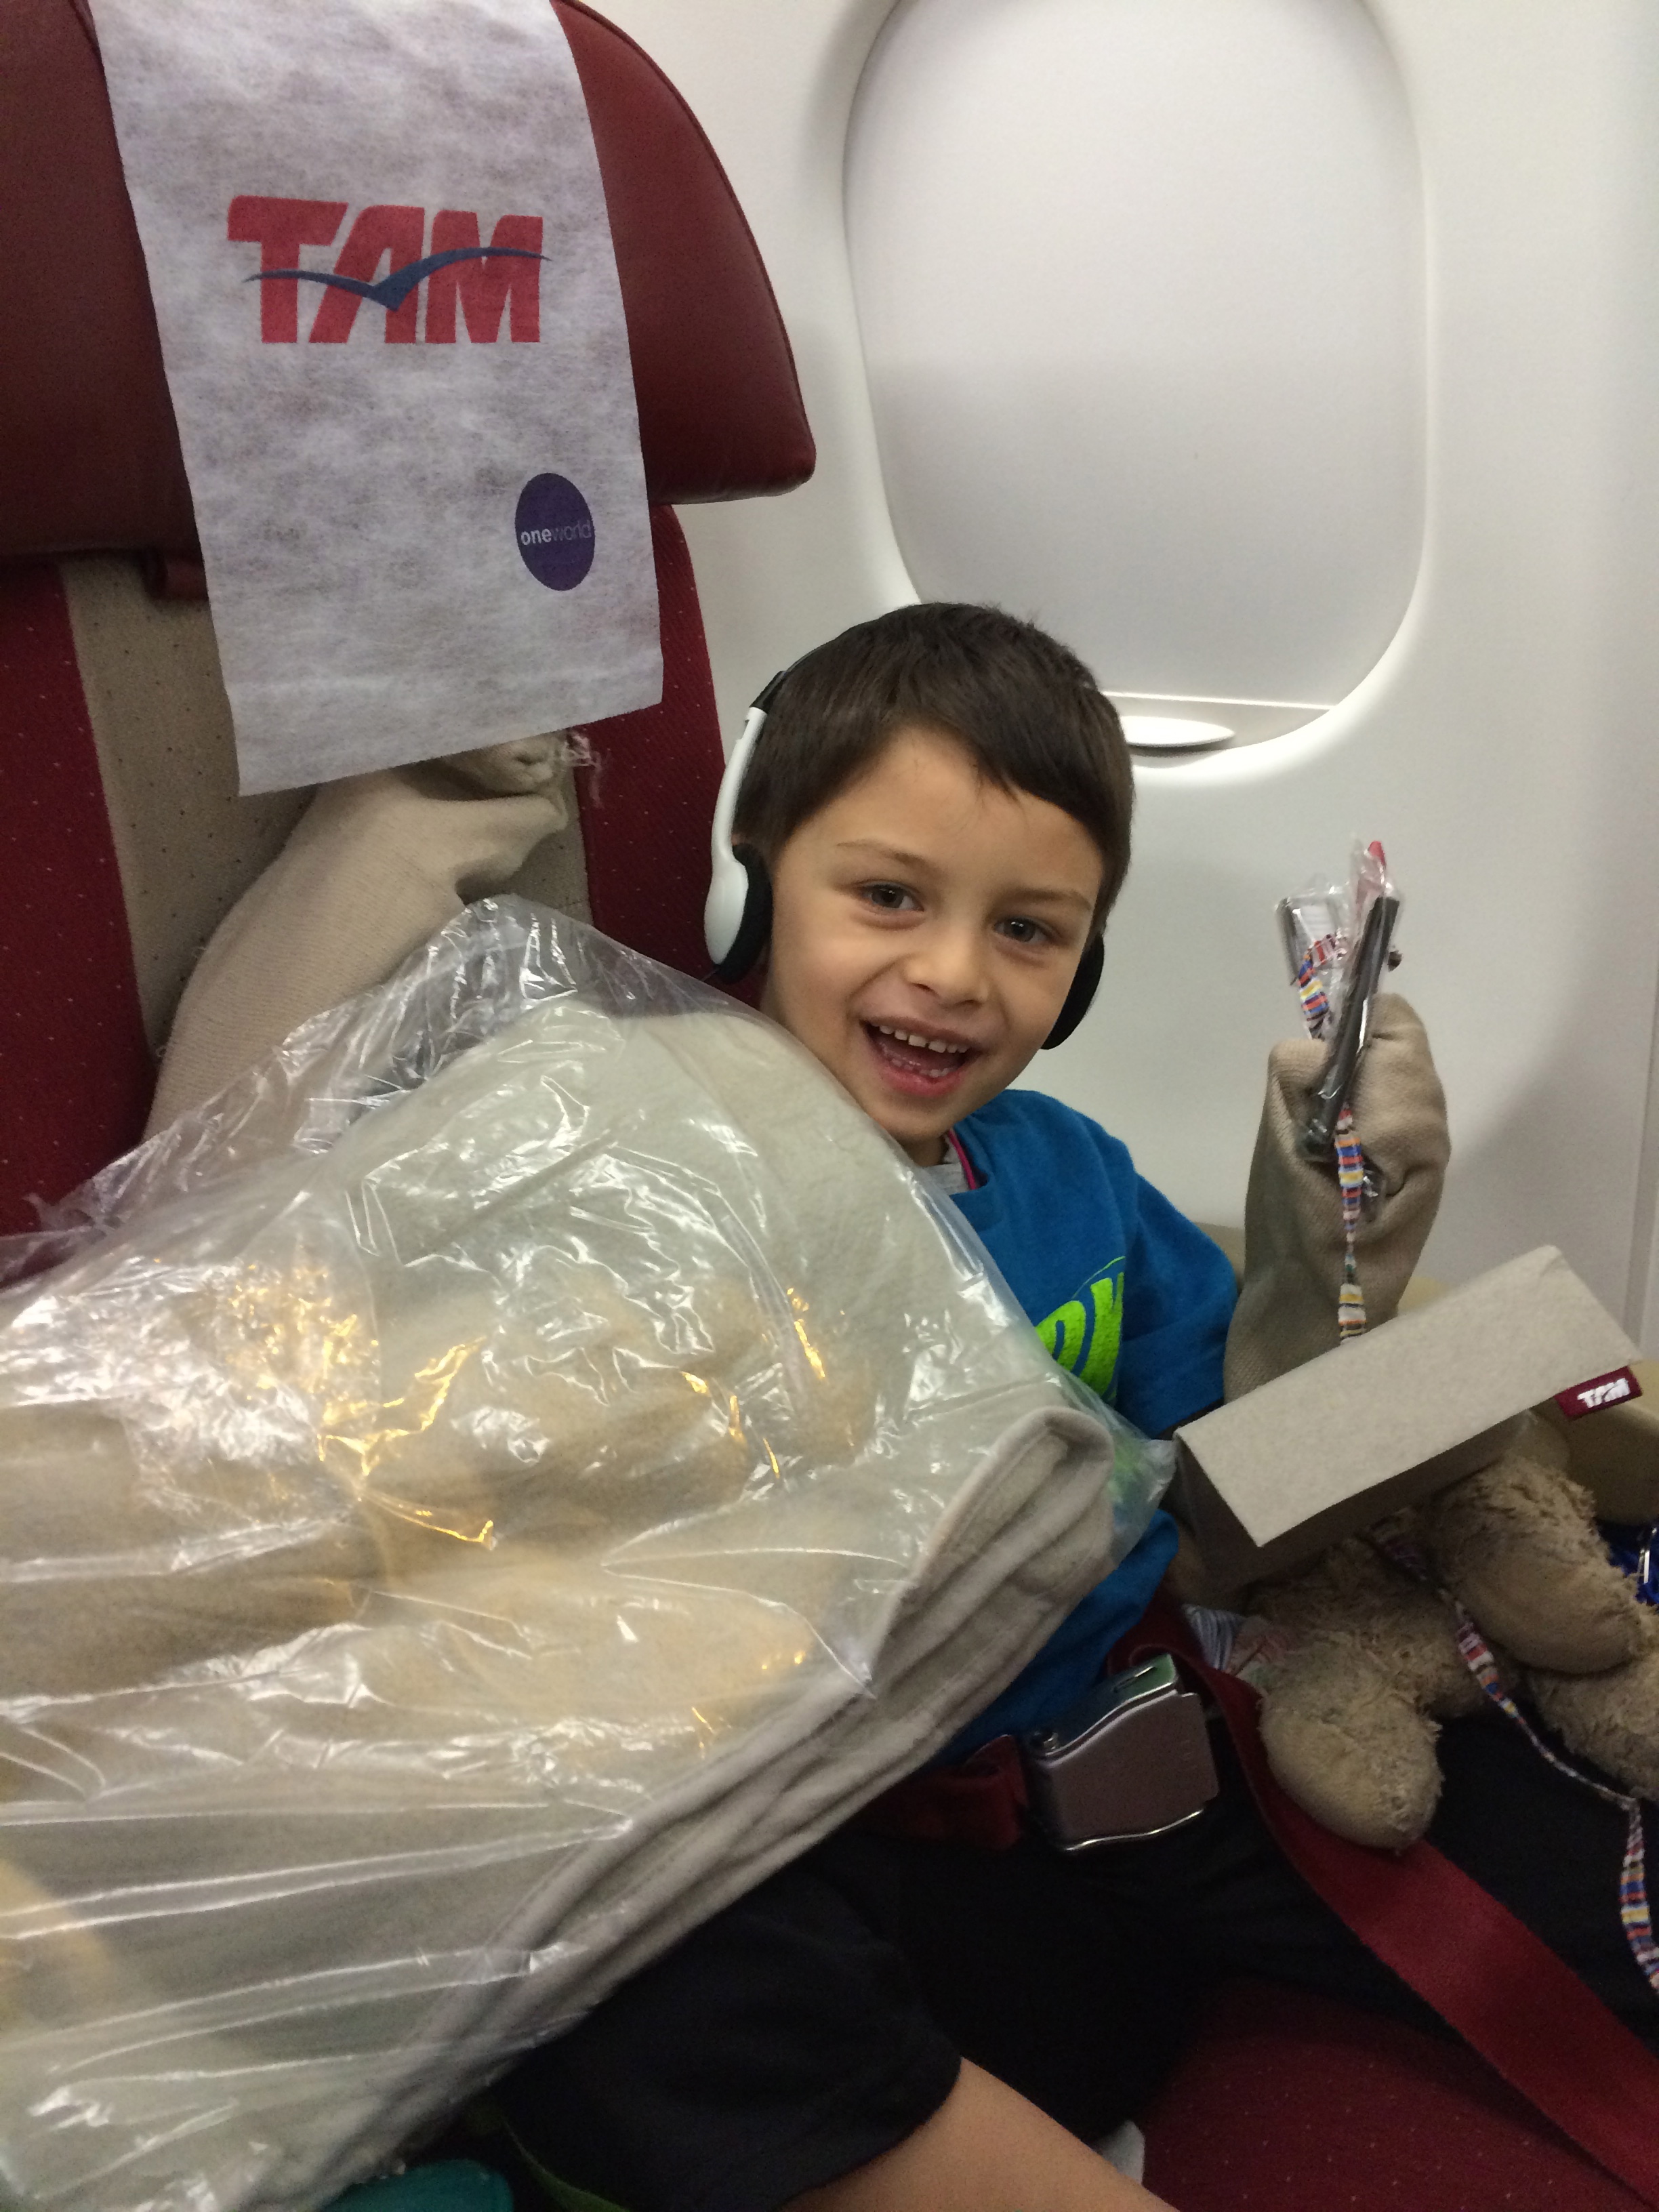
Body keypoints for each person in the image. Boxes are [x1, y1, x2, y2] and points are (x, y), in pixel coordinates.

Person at [489, 604, 1658, 2212]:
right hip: (857, 1841)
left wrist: (1330, 1262)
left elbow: (1225, 1498)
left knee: (1586, 1844)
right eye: (888, 897)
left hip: (1141, 1791)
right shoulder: (656, 1169)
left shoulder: (1068, 1177)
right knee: (630, 1961)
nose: (953, 975)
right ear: (750, 882)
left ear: (1084, 966)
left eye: (1030, 931)